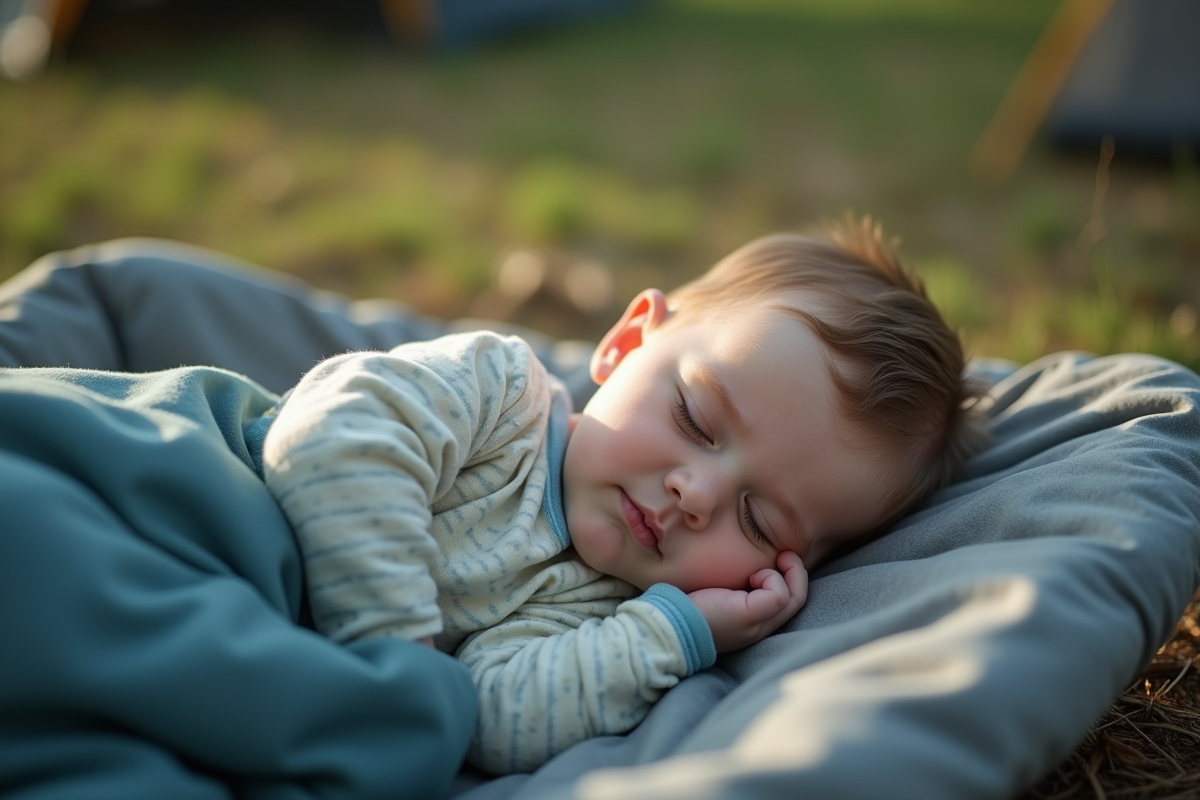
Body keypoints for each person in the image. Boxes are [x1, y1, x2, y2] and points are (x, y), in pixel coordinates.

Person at [261, 215, 990, 775]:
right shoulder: (498, 397)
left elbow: (496, 718)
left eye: (757, 519)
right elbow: (334, 437)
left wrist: (677, 631)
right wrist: (395, 653)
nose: (695, 493)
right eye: (694, 418)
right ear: (628, 342)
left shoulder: (600, 616)